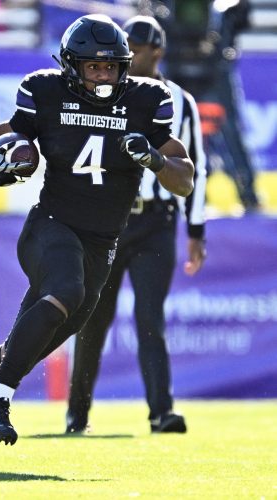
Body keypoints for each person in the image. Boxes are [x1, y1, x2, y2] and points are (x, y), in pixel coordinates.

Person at [0, 13, 194, 447]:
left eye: (111, 66)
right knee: (64, 293)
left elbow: (184, 178)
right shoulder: (45, 90)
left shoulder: (147, 99)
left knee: (20, 351)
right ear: (72, 66)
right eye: (94, 66)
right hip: (51, 226)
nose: (103, 74)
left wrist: (155, 160)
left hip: (102, 243)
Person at [65, 15, 207, 435]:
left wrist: (196, 230)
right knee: (91, 317)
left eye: (135, 48)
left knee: (150, 318)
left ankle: (161, 412)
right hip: (107, 218)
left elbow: (192, 166)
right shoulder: (103, 94)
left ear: (156, 51)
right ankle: (78, 414)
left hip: (155, 222)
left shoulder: (180, 100)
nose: (124, 56)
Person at [162, 0, 259, 211]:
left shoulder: (224, 8)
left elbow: (243, 17)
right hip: (180, 66)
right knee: (176, 130)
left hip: (215, 68)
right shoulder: (166, 7)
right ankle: (184, 193)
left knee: (230, 133)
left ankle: (249, 195)